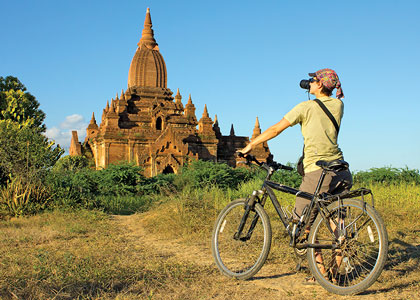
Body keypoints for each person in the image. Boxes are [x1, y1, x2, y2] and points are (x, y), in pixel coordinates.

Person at [238, 68, 353, 283]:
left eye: (313, 81)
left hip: (318, 171)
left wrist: (251, 145)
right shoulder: (339, 105)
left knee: (300, 225)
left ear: (319, 85)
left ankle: (319, 273)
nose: (309, 83)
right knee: (337, 223)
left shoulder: (305, 107)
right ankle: (338, 272)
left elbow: (275, 129)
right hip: (341, 170)